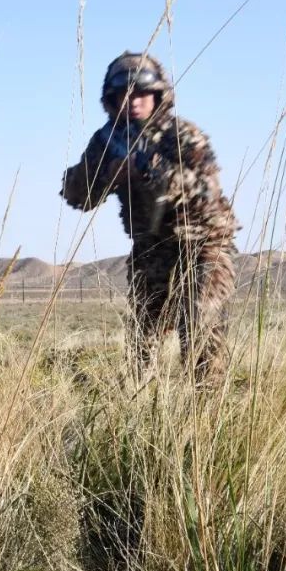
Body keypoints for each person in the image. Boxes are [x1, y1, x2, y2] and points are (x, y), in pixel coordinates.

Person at [60, 51, 238, 382]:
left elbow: (205, 189)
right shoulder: (106, 141)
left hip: (201, 243)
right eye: (124, 94)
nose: (134, 101)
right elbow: (76, 196)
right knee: (143, 340)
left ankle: (206, 417)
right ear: (111, 99)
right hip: (150, 247)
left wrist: (147, 169)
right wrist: (104, 175)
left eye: (142, 93)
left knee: (200, 328)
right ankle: (144, 413)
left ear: (158, 94)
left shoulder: (181, 135)